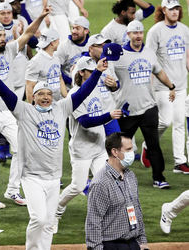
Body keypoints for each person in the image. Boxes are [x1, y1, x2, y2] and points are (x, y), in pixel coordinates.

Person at [0, 51, 108, 250]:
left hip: (54, 178)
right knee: (39, 219)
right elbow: (6, 94)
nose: (46, 97)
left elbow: (83, 92)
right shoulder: (25, 111)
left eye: (48, 94)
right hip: (32, 177)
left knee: (49, 222)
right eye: (41, 94)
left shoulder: (61, 109)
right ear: (33, 98)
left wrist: (97, 72)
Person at [0, 2, 49, 208]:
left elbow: (28, 34)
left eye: (4, 35)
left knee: (22, 149)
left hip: (7, 112)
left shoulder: (10, 49)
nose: (4, 39)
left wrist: (39, 17)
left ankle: (12, 190)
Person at [54, 56, 122, 234]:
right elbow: (85, 121)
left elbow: (111, 98)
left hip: (99, 147)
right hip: (81, 149)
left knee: (104, 182)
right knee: (77, 186)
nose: (94, 75)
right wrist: (109, 116)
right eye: (91, 72)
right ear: (82, 73)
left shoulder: (97, 90)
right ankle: (57, 209)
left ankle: (104, 220)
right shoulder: (74, 95)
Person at [114, 20, 176, 189]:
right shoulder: (118, 55)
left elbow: (159, 71)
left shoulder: (149, 53)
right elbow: (107, 75)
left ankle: (159, 177)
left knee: (154, 145)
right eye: (135, 33)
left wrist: (171, 86)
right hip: (127, 110)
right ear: (128, 35)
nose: (138, 36)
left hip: (149, 108)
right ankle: (115, 176)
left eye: (140, 32)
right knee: (120, 148)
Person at [142, 0, 189, 173]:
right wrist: (149, 86)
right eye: (171, 9)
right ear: (163, 10)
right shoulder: (155, 31)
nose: (175, 12)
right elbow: (149, 59)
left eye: (177, 8)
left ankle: (180, 161)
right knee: (165, 121)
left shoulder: (185, 31)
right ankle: (148, 145)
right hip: (162, 86)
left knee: (179, 123)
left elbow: (187, 57)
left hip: (181, 84)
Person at [85, 132, 149, 250]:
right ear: (115, 152)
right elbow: (93, 221)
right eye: (128, 149)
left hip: (133, 244)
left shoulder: (130, 176)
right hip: (111, 245)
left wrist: (142, 241)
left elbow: (137, 211)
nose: (132, 153)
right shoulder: (101, 183)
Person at [25, 28, 67, 103]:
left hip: (57, 104)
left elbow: (59, 79)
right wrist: (32, 109)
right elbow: (29, 87)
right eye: (58, 40)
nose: (59, 42)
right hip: (43, 105)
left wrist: (67, 98)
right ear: (52, 43)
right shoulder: (36, 61)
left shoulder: (56, 58)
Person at [54, 16, 90, 89]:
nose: (73, 31)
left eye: (77, 28)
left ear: (86, 31)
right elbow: (56, 68)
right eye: (73, 28)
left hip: (88, 86)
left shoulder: (92, 45)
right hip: (68, 88)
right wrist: (72, 81)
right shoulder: (64, 46)